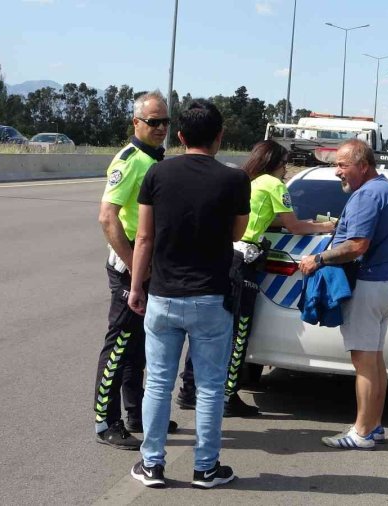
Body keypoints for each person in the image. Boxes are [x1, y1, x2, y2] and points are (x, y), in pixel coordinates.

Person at [128, 99, 250, 489]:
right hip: (210, 298)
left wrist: (135, 286)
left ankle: (152, 465)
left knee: (159, 384)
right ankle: (206, 469)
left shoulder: (158, 174)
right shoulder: (235, 179)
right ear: (219, 137)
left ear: (179, 136)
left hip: (162, 295)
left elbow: (144, 237)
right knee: (211, 387)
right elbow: (237, 234)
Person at [177, 140, 336, 417]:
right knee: (240, 331)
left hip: (224, 257)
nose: (285, 169)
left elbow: (263, 219)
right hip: (245, 263)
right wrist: (327, 225)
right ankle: (227, 396)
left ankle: (189, 389)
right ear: (275, 163)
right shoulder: (274, 185)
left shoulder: (246, 181)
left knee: (209, 328)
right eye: (284, 163)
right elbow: (294, 226)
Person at [298, 139, 388, 450]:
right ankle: (373, 425)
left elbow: (357, 246)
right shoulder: (387, 188)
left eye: (342, 165)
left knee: (363, 361)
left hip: (369, 285)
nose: (337, 172)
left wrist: (318, 259)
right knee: (374, 359)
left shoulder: (367, 196)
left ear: (363, 165)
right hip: (387, 283)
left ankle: (360, 433)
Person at [93, 90, 177, 450]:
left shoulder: (153, 158)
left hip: (145, 268)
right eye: (153, 122)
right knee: (119, 344)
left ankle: (136, 413)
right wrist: (135, 267)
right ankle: (105, 421)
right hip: (131, 267)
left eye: (165, 122)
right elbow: (107, 218)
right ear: (136, 123)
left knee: (138, 347)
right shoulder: (130, 161)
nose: (160, 128)